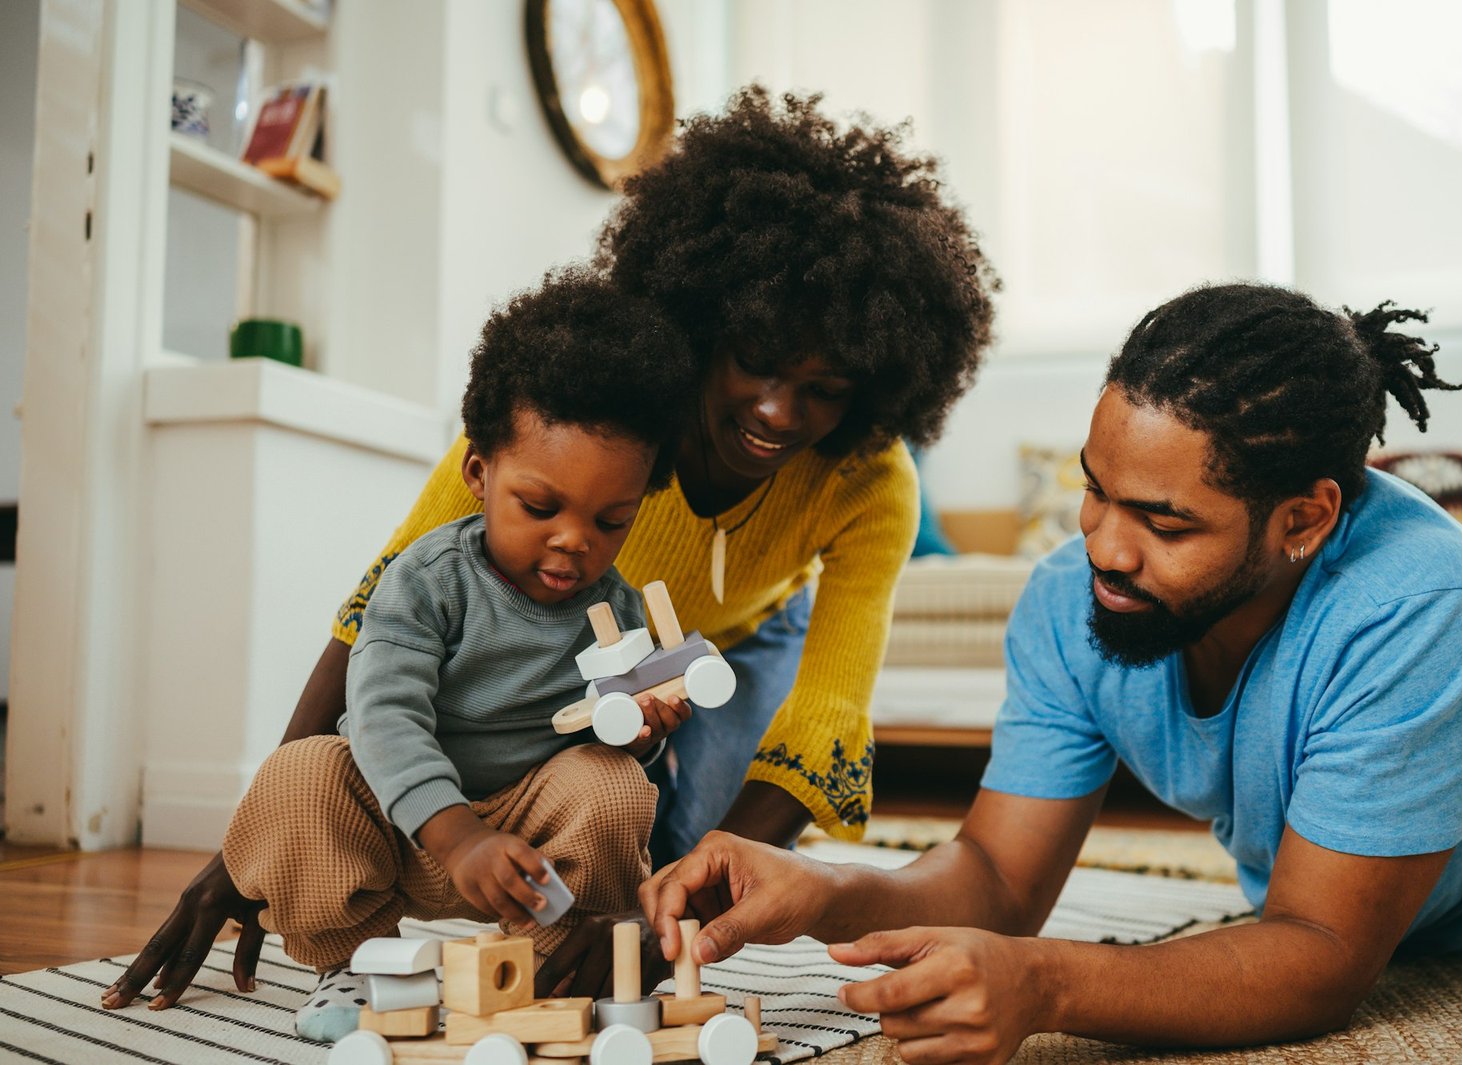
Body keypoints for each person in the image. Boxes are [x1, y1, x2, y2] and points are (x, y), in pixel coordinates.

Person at [103, 85, 999, 1012]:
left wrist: (678, 912)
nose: (779, 410)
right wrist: (243, 847)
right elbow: (375, 612)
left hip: (732, 649)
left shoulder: (871, 480)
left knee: (657, 856)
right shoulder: (577, 421)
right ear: (707, 321)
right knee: (560, 818)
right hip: (590, 658)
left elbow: (828, 715)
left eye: (824, 387)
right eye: (758, 361)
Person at [638, 283, 1462, 1059]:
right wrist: (825, 888)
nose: (1105, 548)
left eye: (1165, 521)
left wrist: (1047, 981)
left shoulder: (1425, 611)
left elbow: (1322, 954)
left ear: (1304, 519)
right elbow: (996, 879)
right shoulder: (1071, 598)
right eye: (1095, 492)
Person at [109, 268, 700, 1040]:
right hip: (394, 826)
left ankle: (552, 960)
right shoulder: (426, 580)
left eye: (611, 519)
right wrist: (457, 834)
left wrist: (640, 733)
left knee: (613, 784)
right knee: (301, 772)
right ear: (479, 475)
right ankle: (355, 962)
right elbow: (385, 713)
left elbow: (606, 752)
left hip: (525, 841)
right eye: (540, 506)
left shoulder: (613, 609)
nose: (573, 540)